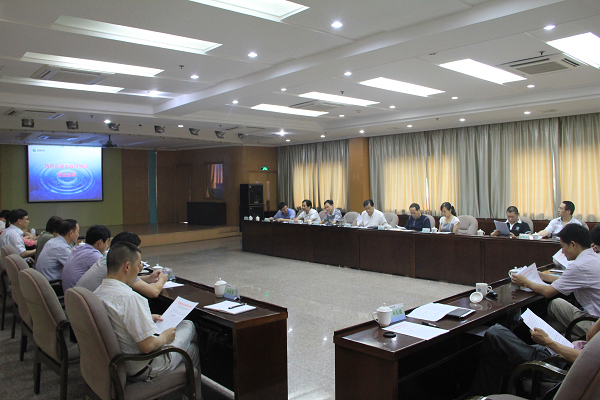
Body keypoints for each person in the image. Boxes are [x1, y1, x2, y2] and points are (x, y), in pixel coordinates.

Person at [93, 242, 201, 395]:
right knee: (188, 326)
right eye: (138, 265)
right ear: (127, 266)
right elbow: (148, 346)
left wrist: (146, 317)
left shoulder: (98, 292)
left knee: (191, 350)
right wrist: (165, 337)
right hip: (143, 366)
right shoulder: (130, 298)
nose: (139, 270)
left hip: (118, 361)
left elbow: (115, 318)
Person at [470, 317, 600, 396]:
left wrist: (549, 342)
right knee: (493, 357)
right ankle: (482, 395)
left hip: (558, 362)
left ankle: (480, 394)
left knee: (495, 333)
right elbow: (590, 337)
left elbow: (587, 360)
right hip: (562, 351)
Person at [512, 224, 600, 338]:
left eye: (562, 246)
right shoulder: (593, 257)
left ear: (573, 245)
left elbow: (548, 292)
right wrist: (543, 276)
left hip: (594, 324)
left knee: (554, 305)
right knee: (555, 317)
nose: (562, 251)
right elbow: (569, 280)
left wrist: (525, 281)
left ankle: (538, 338)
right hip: (595, 317)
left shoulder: (579, 266)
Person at [77, 231, 168, 298]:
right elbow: (153, 292)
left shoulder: (108, 259)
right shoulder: (118, 265)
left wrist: (148, 278)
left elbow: (126, 280)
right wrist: (162, 279)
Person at [61, 225, 111, 292]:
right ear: (100, 242)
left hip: (69, 293)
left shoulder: (78, 249)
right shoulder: (93, 255)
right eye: (107, 242)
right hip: (78, 293)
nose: (107, 245)